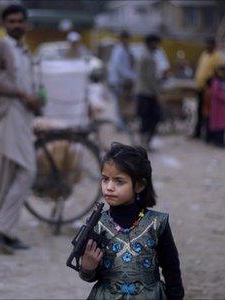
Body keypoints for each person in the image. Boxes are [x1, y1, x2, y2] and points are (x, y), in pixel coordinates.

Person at [79, 143, 184, 299]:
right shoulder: (97, 224)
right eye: (105, 179)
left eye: (119, 181)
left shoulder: (156, 223)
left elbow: (171, 268)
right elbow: (90, 277)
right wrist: (87, 267)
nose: (109, 187)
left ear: (139, 185)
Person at [0, 4, 42, 254]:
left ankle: (2, 233)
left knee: (4, 178)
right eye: (11, 21)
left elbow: (28, 83)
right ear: (5, 24)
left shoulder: (24, 51)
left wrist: (35, 99)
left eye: (19, 21)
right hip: (7, 115)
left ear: (26, 24)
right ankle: (0, 227)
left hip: (22, 117)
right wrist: (22, 94)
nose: (16, 24)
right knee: (28, 171)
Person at [192, 38, 225, 139]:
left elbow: (221, 71)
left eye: (211, 44)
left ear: (214, 45)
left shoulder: (218, 56)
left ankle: (208, 134)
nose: (208, 46)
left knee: (207, 113)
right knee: (199, 111)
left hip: (209, 89)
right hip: (200, 87)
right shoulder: (204, 54)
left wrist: (210, 81)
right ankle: (197, 132)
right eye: (207, 44)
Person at [135, 34, 163, 150]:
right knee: (152, 117)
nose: (157, 45)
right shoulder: (147, 57)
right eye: (155, 43)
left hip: (144, 92)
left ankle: (145, 142)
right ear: (151, 43)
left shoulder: (147, 55)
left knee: (146, 118)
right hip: (147, 93)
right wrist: (157, 93)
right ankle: (145, 142)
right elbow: (150, 78)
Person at [107, 30, 136, 129]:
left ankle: (120, 122)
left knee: (120, 103)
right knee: (119, 103)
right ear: (123, 39)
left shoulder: (124, 50)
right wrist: (131, 77)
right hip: (117, 81)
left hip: (119, 80)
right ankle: (119, 123)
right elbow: (120, 68)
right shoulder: (119, 50)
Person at [206, 66, 225, 148]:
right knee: (218, 126)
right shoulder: (216, 82)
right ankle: (218, 142)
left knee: (222, 126)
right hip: (218, 107)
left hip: (222, 107)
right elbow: (216, 93)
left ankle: (221, 141)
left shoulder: (223, 82)